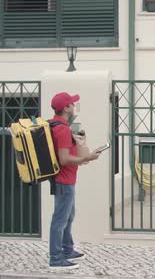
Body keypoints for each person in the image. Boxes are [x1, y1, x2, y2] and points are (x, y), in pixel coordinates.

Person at [48, 92, 100, 269]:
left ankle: (67, 249)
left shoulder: (59, 125)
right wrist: (88, 158)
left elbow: (68, 153)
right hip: (64, 180)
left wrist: (80, 144)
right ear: (66, 108)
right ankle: (55, 258)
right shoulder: (62, 129)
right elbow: (64, 159)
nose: (74, 105)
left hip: (66, 180)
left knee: (68, 216)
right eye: (72, 103)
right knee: (60, 219)